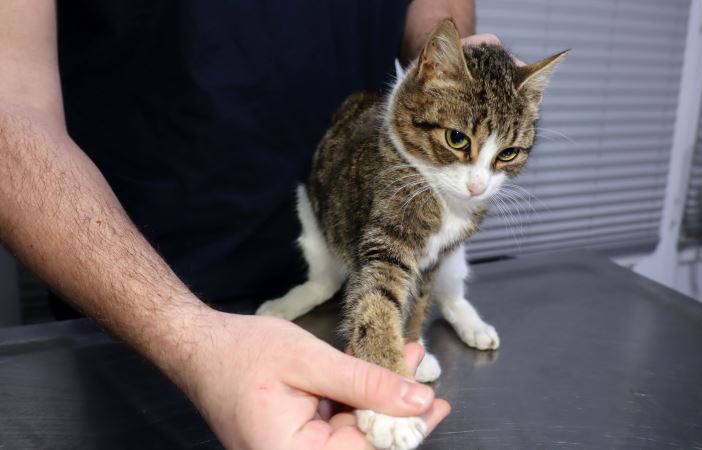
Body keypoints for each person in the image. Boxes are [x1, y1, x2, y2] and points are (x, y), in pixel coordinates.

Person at [0, 1, 504, 448]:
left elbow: (436, 14)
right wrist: (192, 341)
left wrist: (462, 69)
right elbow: (11, 108)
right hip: (131, 300)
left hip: (343, 270)